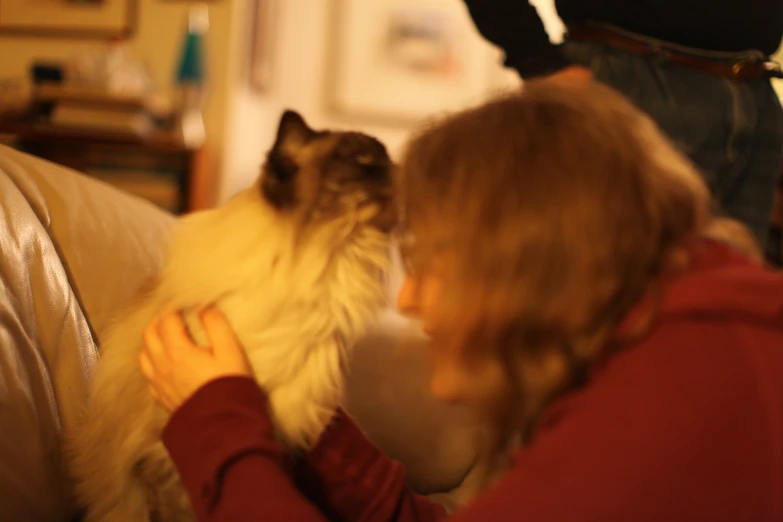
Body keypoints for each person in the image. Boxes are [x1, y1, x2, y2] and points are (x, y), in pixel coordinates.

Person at [139, 80, 783, 521]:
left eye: (424, 262)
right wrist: (309, 435)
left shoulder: (650, 424)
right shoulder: (676, 343)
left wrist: (218, 426)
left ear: (518, 266)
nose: (410, 299)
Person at [461, 1, 783, 248]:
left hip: (753, 89)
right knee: (602, 291)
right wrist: (534, 57)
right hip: (630, 80)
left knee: (733, 300)